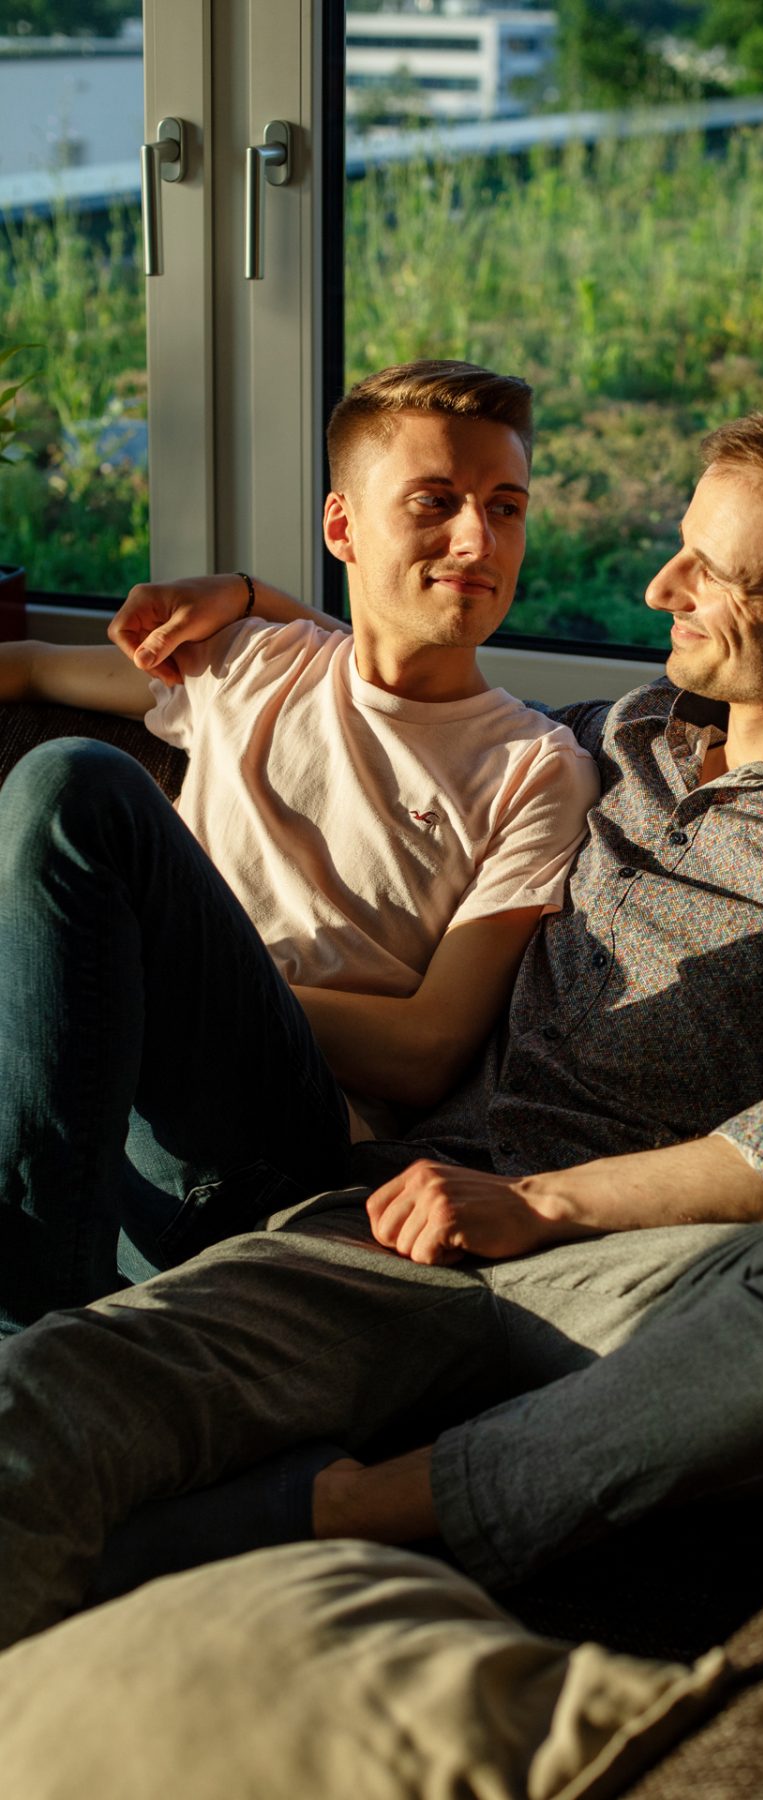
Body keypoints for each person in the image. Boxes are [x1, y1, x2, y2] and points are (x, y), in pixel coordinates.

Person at [0, 405, 763, 1654]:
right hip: (387, 1225)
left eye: (704, 568)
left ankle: (360, 1511)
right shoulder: (626, 736)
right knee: (36, 1397)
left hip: (628, 1275)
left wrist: (549, 1206)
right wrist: (258, 600)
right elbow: (412, 691)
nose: (658, 586)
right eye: (675, 547)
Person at [0, 359, 598, 1334]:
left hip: (280, 1137)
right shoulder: (255, 661)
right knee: (48, 788)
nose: (477, 539)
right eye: (436, 502)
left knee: (78, 783)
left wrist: (166, 969)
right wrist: (247, 597)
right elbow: (25, 668)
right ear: (341, 528)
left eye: (507, 506)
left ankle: (29, 1330)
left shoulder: (537, 767)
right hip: (116, 1089)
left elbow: (425, 1050)